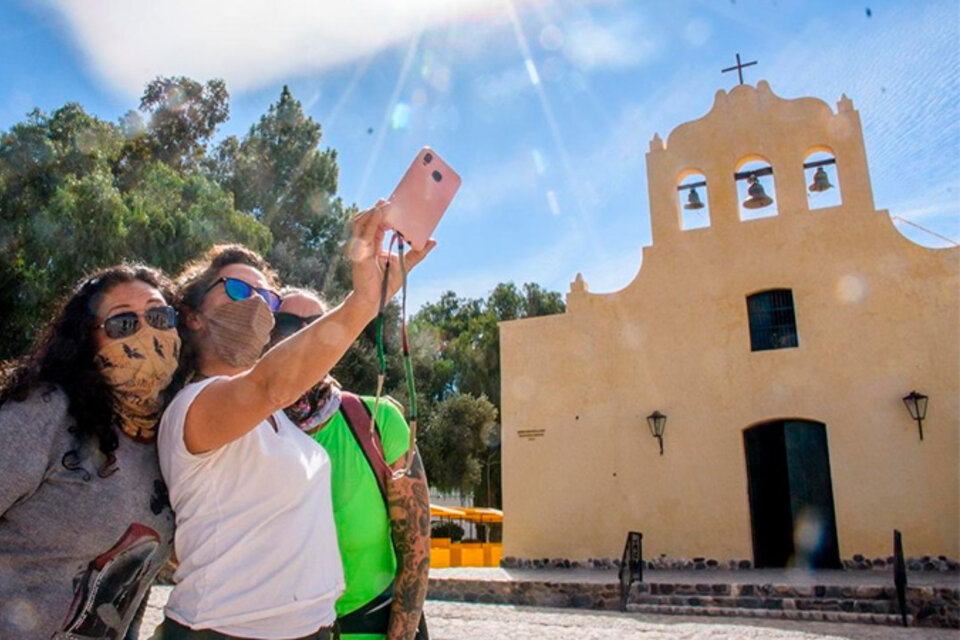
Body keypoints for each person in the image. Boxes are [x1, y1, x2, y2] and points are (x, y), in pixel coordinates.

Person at [156, 202, 433, 639]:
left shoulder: (280, 422)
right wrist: (364, 301)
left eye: (266, 298)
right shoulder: (195, 405)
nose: (256, 304)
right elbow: (269, 385)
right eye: (238, 290)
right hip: (223, 631)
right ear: (192, 316)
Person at [0, 264, 181, 640]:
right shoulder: (45, 412)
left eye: (159, 317)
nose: (147, 334)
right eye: (124, 323)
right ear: (88, 340)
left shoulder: (170, 438)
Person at [270, 288, 430, 640]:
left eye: (319, 325)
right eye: (286, 324)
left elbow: (415, 552)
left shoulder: (379, 421)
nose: (305, 335)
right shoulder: (247, 430)